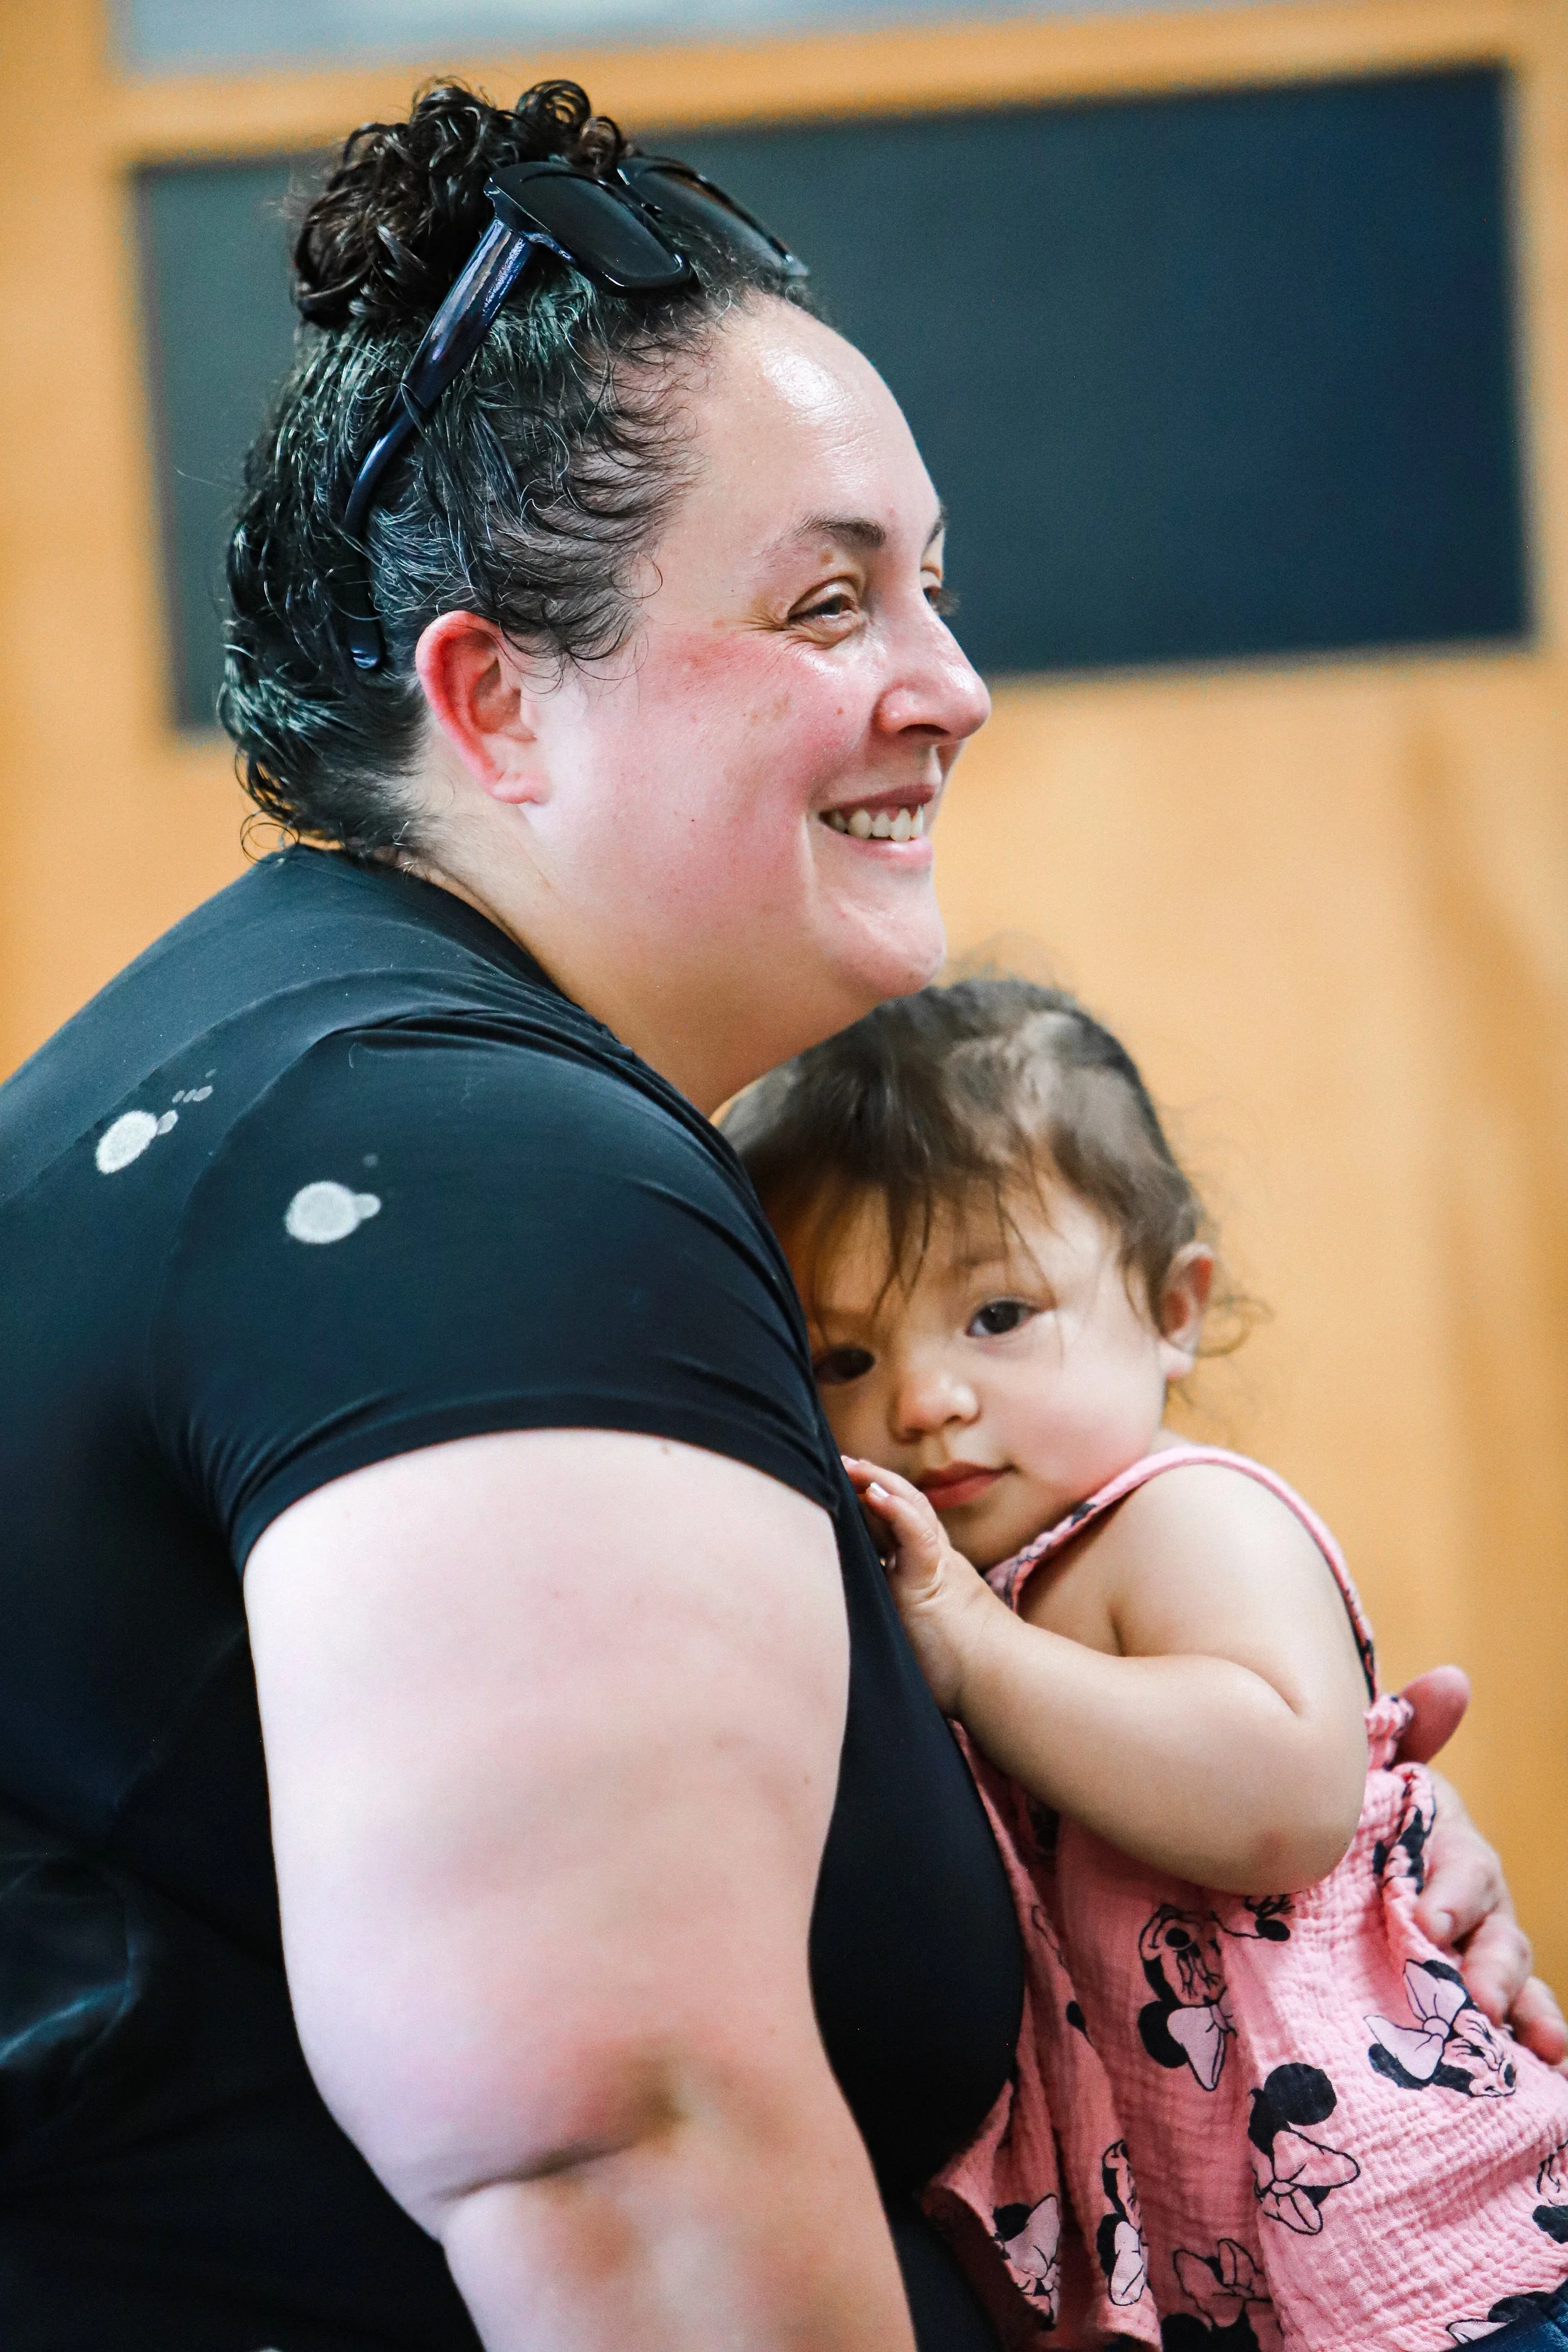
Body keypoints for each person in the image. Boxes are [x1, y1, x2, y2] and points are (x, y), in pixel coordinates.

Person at [0, 78, 1550, 2352]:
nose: (953, 685)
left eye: (938, 583)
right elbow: (620, 2137)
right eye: (833, 599)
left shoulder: (301, 1080)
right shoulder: (465, 1168)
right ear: (497, 698)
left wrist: (1297, 1913)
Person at [725, 977, 1568, 2349]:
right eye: (846, 1353)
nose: (923, 1398)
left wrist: (980, 1653)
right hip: (1231, 2279)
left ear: (1171, 1306)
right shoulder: (956, 1584)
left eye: (996, 1315)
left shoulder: (1177, 1520)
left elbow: (1280, 1799)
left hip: (1428, 2259)